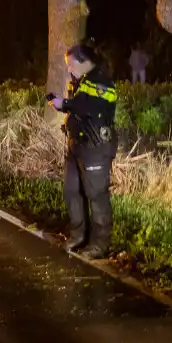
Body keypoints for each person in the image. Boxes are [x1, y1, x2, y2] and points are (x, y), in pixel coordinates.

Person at [47, 42, 118, 260]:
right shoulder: (82, 81)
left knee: (96, 195)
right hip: (76, 145)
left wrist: (64, 104)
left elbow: (89, 107)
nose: (69, 69)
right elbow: (78, 105)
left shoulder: (101, 81)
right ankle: (78, 236)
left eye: (71, 64)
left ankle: (99, 244)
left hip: (95, 147)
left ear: (85, 62)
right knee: (71, 192)